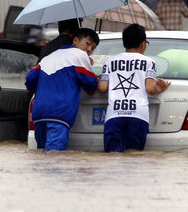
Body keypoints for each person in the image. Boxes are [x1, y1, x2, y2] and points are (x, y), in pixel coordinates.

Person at [97, 24, 170, 152]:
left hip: (114, 115)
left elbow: (102, 88)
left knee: (111, 159)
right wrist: (161, 88)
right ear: (143, 44)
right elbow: (151, 89)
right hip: (138, 116)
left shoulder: (110, 62)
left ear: (124, 43)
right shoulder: (149, 62)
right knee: (134, 160)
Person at [25, 27, 100, 151]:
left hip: (39, 113)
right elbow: (90, 84)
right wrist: (91, 67)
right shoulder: (80, 55)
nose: (89, 50)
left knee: (40, 157)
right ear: (75, 40)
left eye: (93, 48)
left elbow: (29, 80)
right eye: (87, 44)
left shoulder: (48, 57)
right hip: (59, 114)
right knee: (54, 157)